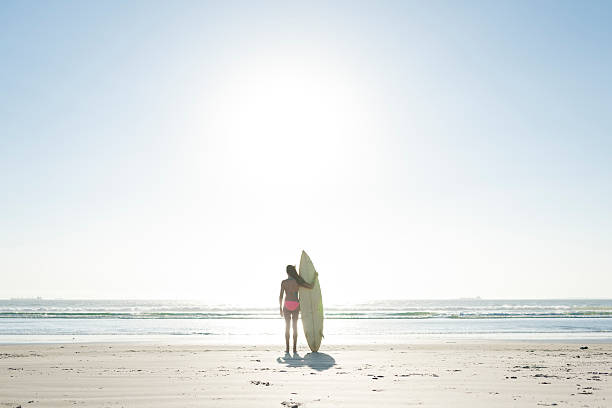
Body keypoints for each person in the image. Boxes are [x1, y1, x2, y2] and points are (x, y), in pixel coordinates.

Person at [279, 264, 317, 354]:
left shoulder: (284, 282)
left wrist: (280, 308)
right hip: (296, 304)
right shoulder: (298, 281)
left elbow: (280, 296)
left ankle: (287, 349)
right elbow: (311, 286)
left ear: (287, 272)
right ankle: (294, 349)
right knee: (295, 327)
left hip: (287, 304)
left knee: (287, 327)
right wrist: (315, 277)